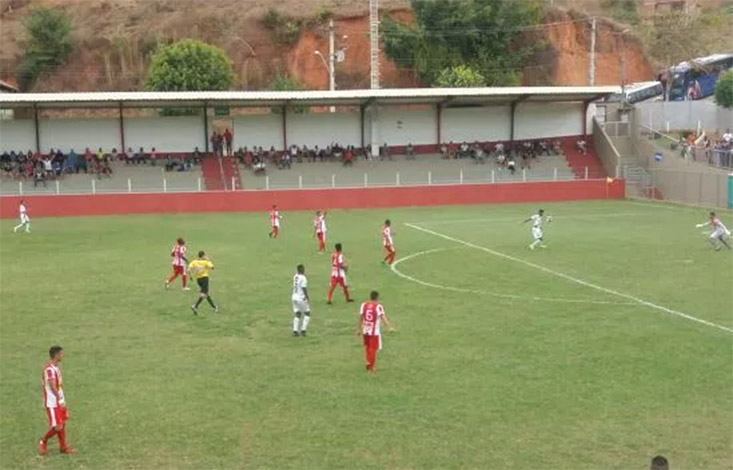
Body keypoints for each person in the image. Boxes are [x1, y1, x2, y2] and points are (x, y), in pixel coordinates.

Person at [38, 345, 75, 455]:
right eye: (61, 354)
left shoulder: (55, 367)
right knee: (58, 426)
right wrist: (59, 399)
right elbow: (52, 386)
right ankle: (43, 441)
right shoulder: (49, 370)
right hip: (52, 403)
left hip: (59, 400)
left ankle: (63, 447)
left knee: (62, 423)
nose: (62, 356)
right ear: (56, 355)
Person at [355, 291, 394, 375]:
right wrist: (389, 327)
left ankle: (368, 362)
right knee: (373, 349)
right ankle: (372, 368)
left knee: (367, 347)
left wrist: (358, 329)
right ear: (377, 298)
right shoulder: (378, 307)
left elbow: (360, 317)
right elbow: (383, 317)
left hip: (365, 329)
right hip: (374, 332)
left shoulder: (364, 305)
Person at [188, 251, 218, 315]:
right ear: (203, 256)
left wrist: (190, 276)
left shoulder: (194, 262)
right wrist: (208, 260)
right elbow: (212, 267)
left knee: (206, 294)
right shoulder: (205, 262)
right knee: (203, 294)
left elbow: (189, 269)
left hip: (198, 280)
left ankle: (214, 307)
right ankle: (195, 306)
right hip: (205, 279)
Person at [291, 264, 311, 337]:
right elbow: (304, 288)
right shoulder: (303, 278)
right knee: (307, 313)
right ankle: (303, 330)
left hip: (294, 297)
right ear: (302, 270)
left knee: (298, 313)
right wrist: (307, 296)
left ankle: (295, 331)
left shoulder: (295, 276)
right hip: (301, 297)